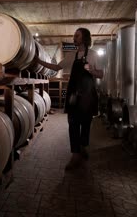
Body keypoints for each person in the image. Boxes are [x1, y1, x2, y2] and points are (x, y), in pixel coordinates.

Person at [34, 28, 103, 170]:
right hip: (73, 95)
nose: (74, 38)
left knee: (86, 124)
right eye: (74, 35)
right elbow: (56, 66)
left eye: (77, 35)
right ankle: (75, 154)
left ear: (84, 38)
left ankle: (83, 146)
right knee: (72, 123)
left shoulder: (94, 55)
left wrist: (92, 71)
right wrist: (39, 61)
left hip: (88, 96)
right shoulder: (71, 56)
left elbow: (101, 75)